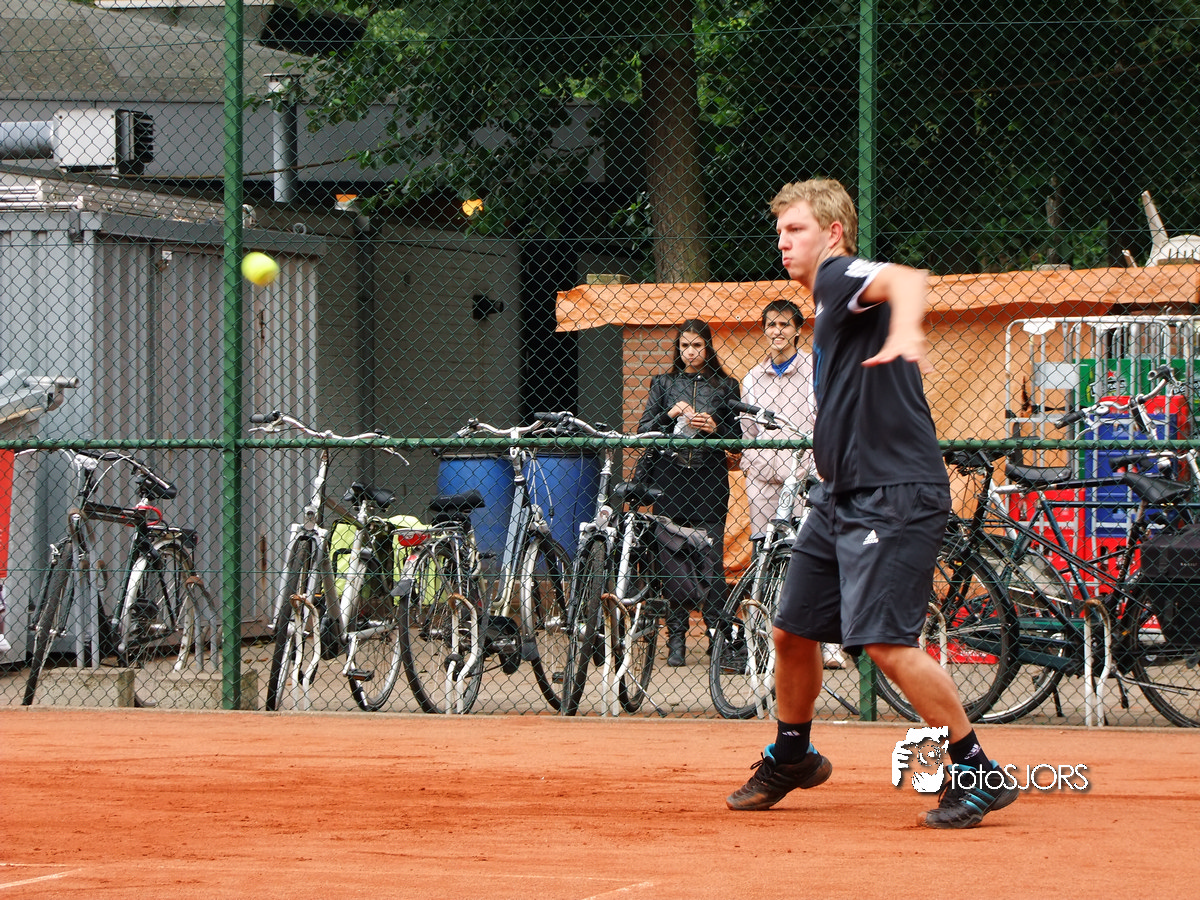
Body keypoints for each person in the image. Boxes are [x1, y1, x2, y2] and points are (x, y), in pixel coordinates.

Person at [725, 179, 1018, 829]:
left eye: (795, 229)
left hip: (893, 493)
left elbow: (907, 281)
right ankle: (793, 755)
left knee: (886, 642)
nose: (782, 241)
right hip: (841, 494)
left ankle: (977, 772)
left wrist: (907, 330)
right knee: (792, 629)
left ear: (833, 233)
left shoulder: (837, 277)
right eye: (779, 231)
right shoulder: (830, 306)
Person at [739, 299, 846, 670]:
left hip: (806, 479)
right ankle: (763, 642)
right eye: (771, 324)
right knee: (765, 558)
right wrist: (758, 465)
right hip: (763, 483)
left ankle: (828, 643)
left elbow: (829, 422)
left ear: (798, 329)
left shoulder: (816, 370)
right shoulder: (753, 378)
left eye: (784, 324)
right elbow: (747, 435)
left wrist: (813, 469)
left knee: (816, 558)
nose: (777, 331)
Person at [637, 319, 741, 667]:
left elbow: (737, 439)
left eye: (697, 345)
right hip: (670, 479)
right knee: (672, 561)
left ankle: (717, 637)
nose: (690, 352)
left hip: (709, 480)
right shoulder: (663, 383)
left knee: (711, 561)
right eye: (684, 346)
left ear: (707, 347)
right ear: (678, 348)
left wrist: (714, 428)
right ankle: (676, 638)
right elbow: (644, 430)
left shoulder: (726, 386)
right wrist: (671, 413)